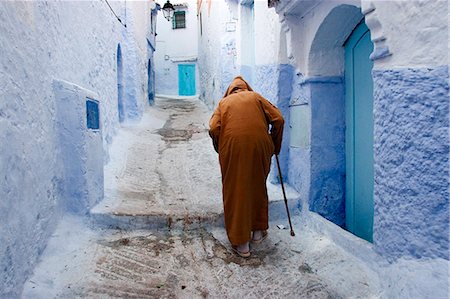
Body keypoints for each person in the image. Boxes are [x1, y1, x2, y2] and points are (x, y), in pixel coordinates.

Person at [209, 76, 284, 257]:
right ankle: (258, 233)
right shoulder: (256, 97)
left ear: (230, 90)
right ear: (245, 88)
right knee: (258, 185)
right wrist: (274, 145)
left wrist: (222, 146)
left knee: (236, 190)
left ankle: (242, 244)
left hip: (233, 148)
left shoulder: (224, 102)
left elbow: (213, 127)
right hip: (260, 147)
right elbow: (279, 119)